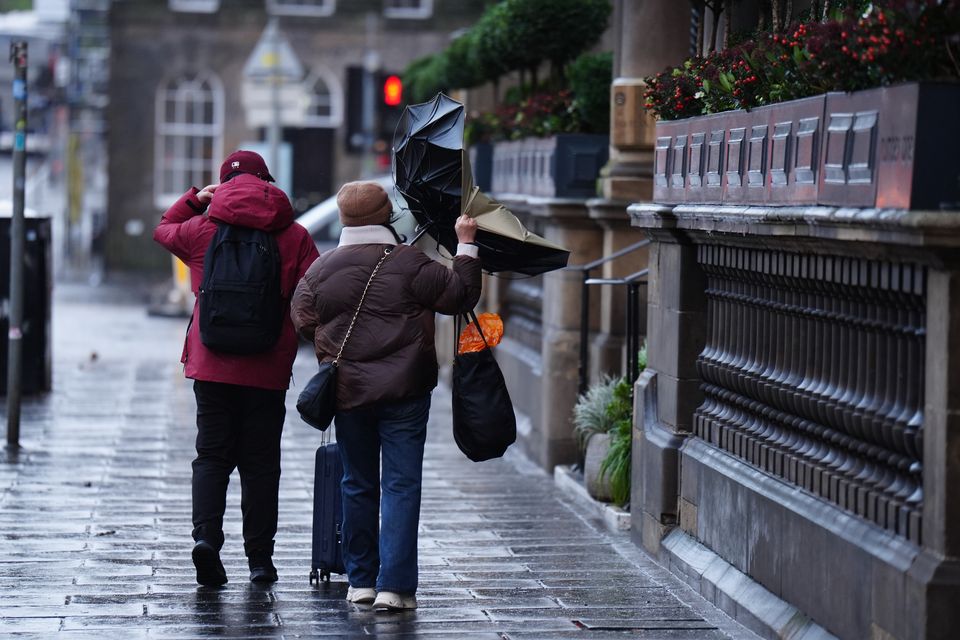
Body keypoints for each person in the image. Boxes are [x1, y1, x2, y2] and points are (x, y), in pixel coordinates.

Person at [291, 181, 481, 611]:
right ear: (386, 216)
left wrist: (336, 348)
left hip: (349, 393)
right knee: (401, 484)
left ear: (342, 219)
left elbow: (303, 318)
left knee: (356, 483)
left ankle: (360, 582)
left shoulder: (321, 270)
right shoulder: (410, 262)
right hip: (406, 391)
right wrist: (466, 246)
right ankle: (394, 587)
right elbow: (459, 296)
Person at [153, 150, 320, 586]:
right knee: (261, 464)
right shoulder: (295, 235)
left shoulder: (203, 229)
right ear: (267, 182)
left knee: (211, 455)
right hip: (267, 368)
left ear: (223, 186)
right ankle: (260, 560)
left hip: (211, 364)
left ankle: (207, 538)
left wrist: (196, 199)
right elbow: (315, 292)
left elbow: (163, 230)